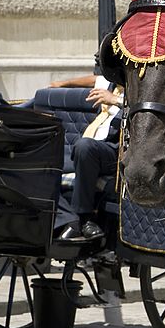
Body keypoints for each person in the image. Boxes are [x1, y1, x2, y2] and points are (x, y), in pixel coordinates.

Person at [54, 71, 124, 242]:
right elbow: (94, 79)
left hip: (116, 151)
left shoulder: (138, 85)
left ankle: (84, 219)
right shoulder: (110, 82)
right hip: (88, 152)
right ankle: (67, 219)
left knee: (84, 146)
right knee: (45, 165)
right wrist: (62, 84)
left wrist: (116, 100)